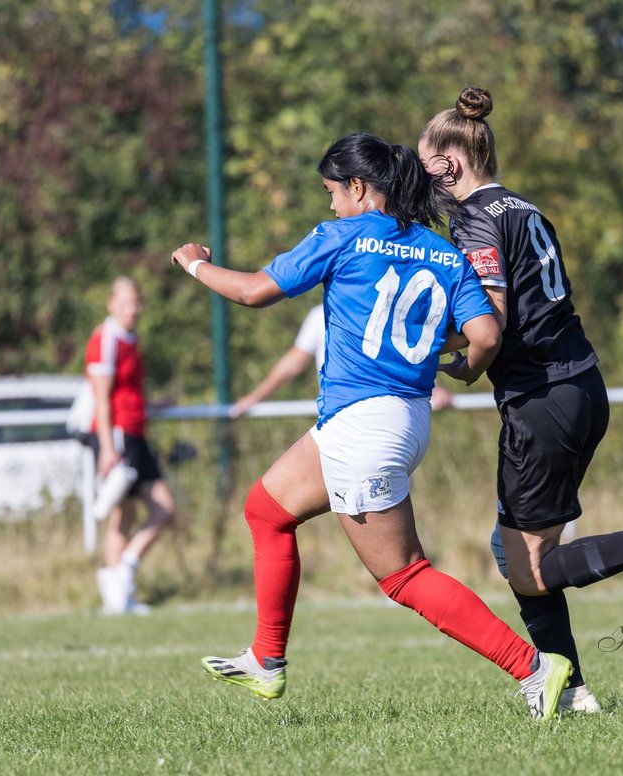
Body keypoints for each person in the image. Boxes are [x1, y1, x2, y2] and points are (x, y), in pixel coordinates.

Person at [171, 131, 573, 720]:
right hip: (399, 417)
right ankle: (266, 659)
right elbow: (486, 334)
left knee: (405, 576)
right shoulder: (442, 251)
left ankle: (535, 667)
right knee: (266, 509)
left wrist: (197, 266)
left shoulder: (342, 236)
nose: (330, 204)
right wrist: (463, 367)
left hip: (365, 424)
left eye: (333, 192)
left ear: (360, 188)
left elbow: (256, 291)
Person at [418, 87, 623, 712]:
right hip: (580, 386)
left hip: (541, 399)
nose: (423, 180)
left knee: (527, 568)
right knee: (522, 554)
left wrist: (457, 363)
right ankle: (574, 692)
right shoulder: (526, 208)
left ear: (450, 164)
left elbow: (494, 322)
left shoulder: (475, 218)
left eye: (426, 166)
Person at [83, 276, 176, 616]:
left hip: (135, 433)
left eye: (137, 302)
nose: (133, 309)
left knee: (148, 511)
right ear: (111, 304)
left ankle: (121, 582)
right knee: (134, 512)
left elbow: (128, 392)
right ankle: (118, 592)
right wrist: (108, 448)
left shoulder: (130, 338)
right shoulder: (106, 338)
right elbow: (102, 399)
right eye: (126, 302)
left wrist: (152, 405)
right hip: (119, 438)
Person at [230, 303, 455, 416]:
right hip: (346, 416)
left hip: (377, 416)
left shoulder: (379, 311)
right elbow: (294, 363)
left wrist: (433, 389)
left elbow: (400, 356)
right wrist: (253, 398)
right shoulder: (321, 315)